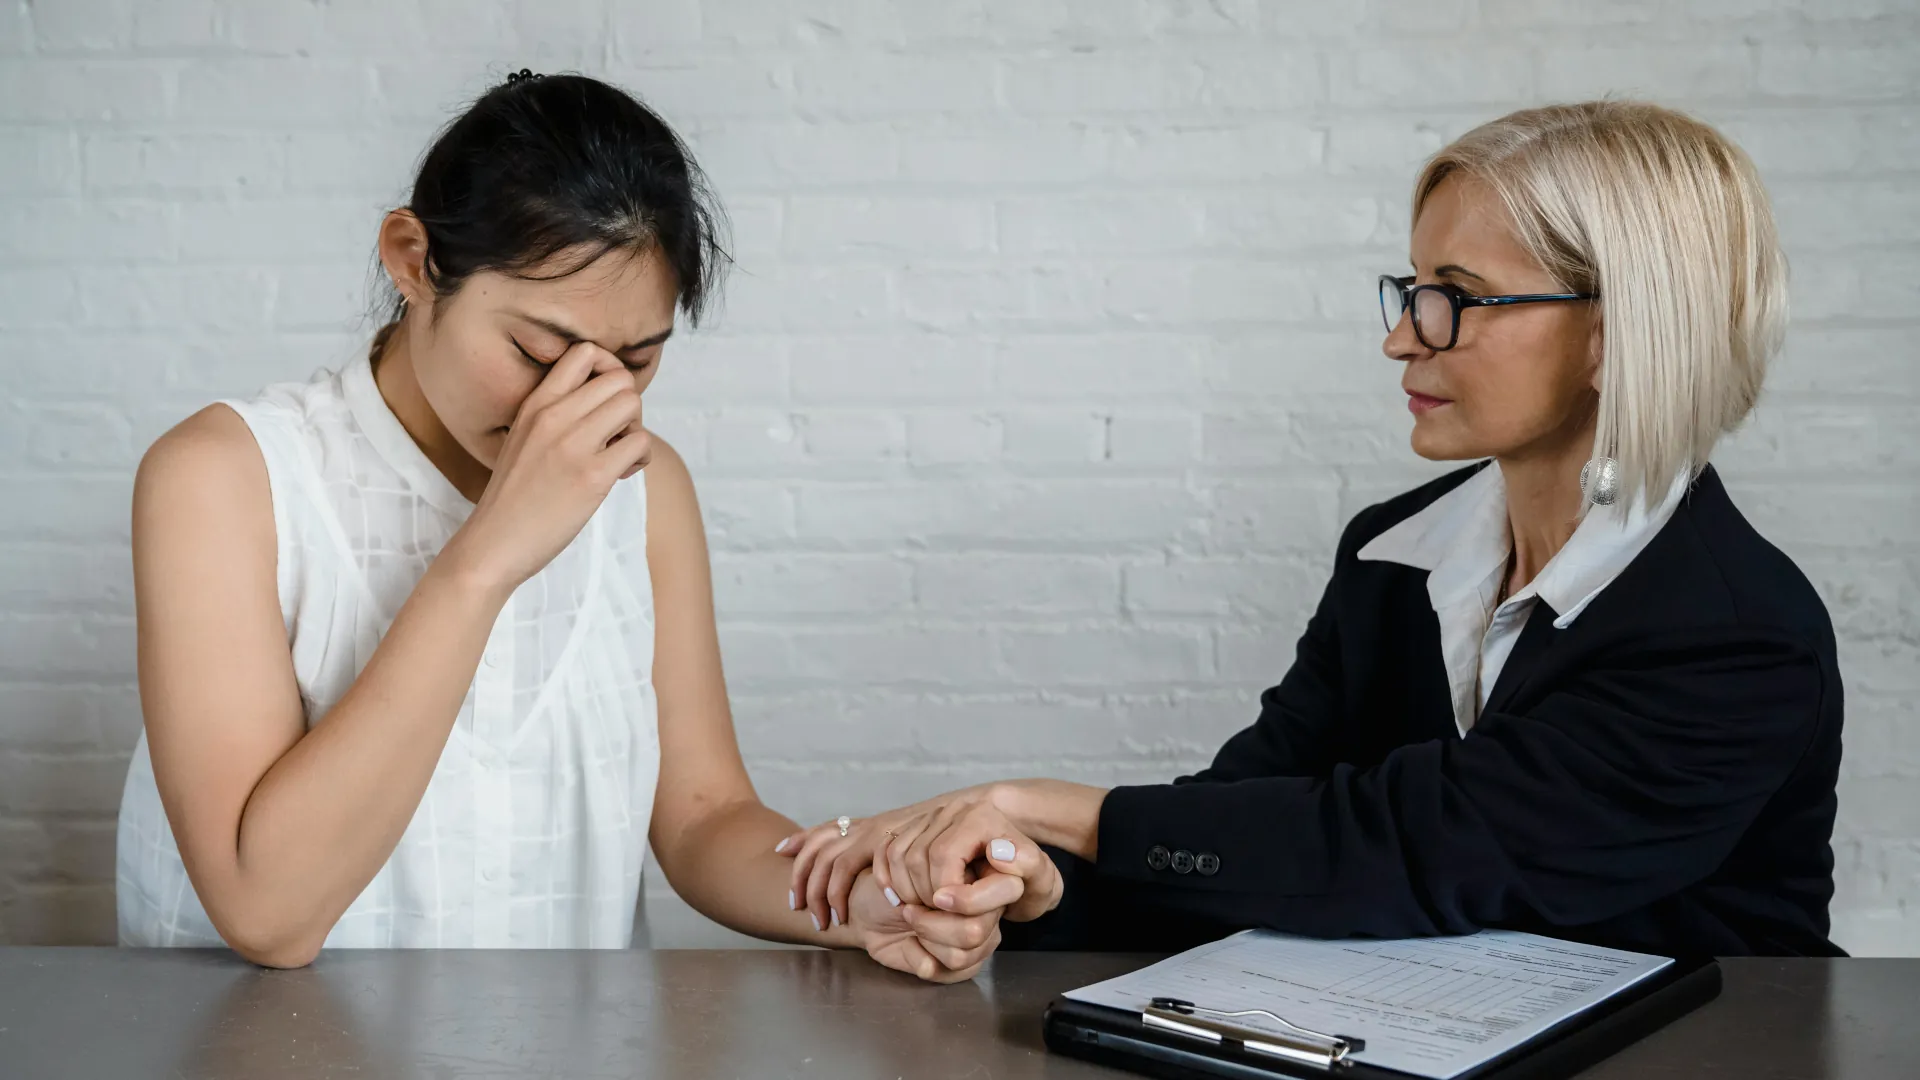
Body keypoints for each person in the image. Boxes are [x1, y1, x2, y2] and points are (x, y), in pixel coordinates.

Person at [784, 100, 1847, 960]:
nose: (1401, 337)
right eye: (1414, 289)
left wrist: (1030, 800)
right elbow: (1250, 823)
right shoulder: (1393, 555)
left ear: (1614, 336)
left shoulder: (1736, 631)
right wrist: (1033, 884)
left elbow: (1414, 846)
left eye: (1455, 299)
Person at [115, 70, 1009, 979]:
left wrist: (866, 900)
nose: (576, 404)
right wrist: (491, 553)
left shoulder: (648, 490)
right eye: (536, 351)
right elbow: (266, 911)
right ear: (412, 260)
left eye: (635, 360)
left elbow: (704, 820)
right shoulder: (225, 478)